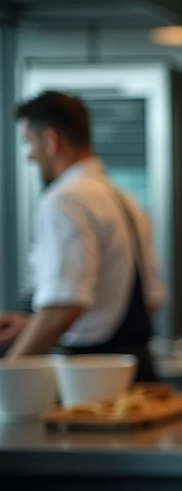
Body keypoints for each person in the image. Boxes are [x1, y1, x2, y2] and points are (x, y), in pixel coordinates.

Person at [0, 92, 166, 382]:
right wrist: (31, 323)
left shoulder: (65, 199)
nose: (28, 154)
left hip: (89, 378)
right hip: (137, 369)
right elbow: (151, 300)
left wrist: (9, 374)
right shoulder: (124, 200)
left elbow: (64, 306)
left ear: (51, 140)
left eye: (29, 141)